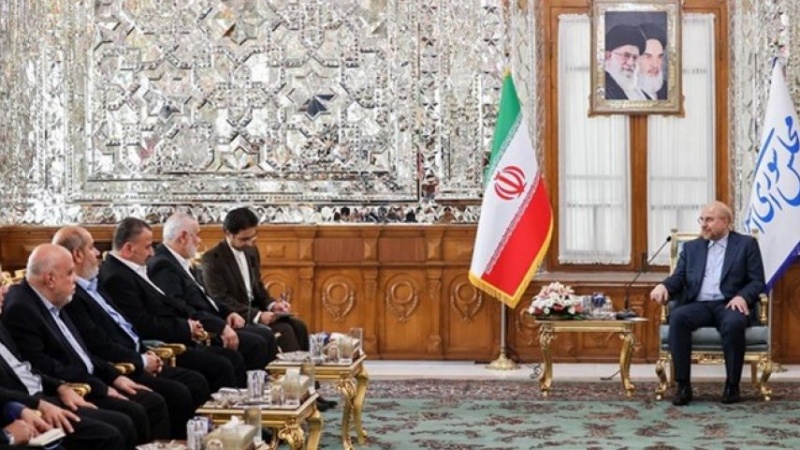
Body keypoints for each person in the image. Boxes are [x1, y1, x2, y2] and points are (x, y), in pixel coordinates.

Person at [53, 226, 211, 439]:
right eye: (92, 247)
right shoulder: (72, 296)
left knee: (194, 380)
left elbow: (125, 327)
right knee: (175, 392)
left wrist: (147, 352)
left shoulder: (94, 284)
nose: (98, 253)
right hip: (121, 365)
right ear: (78, 255)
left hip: (138, 356)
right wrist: (140, 361)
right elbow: (99, 344)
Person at [1, 244, 169, 445]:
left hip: (58, 390)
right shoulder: (20, 308)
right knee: (120, 425)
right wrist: (40, 401)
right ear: (50, 279)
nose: (4, 290)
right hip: (37, 401)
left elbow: (80, 354)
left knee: (147, 404)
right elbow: (41, 364)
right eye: (70, 273)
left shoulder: (55, 300)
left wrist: (113, 377)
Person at [201, 207, 338, 412]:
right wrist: (258, 316)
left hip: (257, 311)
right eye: (244, 239)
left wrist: (273, 305)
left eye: (252, 237)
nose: (249, 243)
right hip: (235, 318)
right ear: (228, 233)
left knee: (299, 326)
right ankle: (293, 394)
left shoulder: (251, 251)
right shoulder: (212, 259)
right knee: (285, 331)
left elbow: (258, 288)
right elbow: (219, 299)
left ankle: (310, 392)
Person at [98, 217, 246, 391]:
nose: (152, 253)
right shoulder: (117, 277)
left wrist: (191, 324)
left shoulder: (132, 268)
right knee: (218, 367)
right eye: (147, 247)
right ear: (129, 248)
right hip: (163, 344)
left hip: (178, 335)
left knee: (230, 358)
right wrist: (185, 327)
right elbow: (142, 324)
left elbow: (172, 304)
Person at [649, 201, 766, 406]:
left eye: (709, 220)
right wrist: (663, 285)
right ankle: (683, 386)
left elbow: (757, 281)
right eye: (702, 219)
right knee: (678, 317)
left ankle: (732, 386)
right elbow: (679, 277)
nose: (703, 224)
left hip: (729, 303)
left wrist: (742, 296)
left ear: (726, 222)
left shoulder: (746, 245)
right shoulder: (692, 248)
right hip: (700, 304)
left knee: (734, 323)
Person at [0, 273, 128, 450]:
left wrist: (61, 387)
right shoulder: (19, 308)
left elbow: (25, 368)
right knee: (110, 433)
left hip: (42, 397)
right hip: (22, 408)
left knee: (123, 421)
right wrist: (26, 410)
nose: (5, 290)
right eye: (0, 284)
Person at [147, 213, 278, 370]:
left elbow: (205, 297)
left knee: (266, 335)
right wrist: (220, 327)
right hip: (201, 331)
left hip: (214, 322)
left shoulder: (180, 260)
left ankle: (268, 383)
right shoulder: (163, 266)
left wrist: (228, 312)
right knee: (256, 343)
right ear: (183, 237)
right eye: (197, 235)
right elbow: (182, 308)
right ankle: (253, 384)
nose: (199, 240)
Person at [604, 24, 647, 100]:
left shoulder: (642, 94)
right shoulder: (602, 91)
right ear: (608, 56)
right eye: (626, 56)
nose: (631, 63)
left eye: (635, 57)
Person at [637, 22, 668, 100]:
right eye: (648, 57)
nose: (655, 65)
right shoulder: (620, 92)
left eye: (659, 57)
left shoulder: (668, 90)